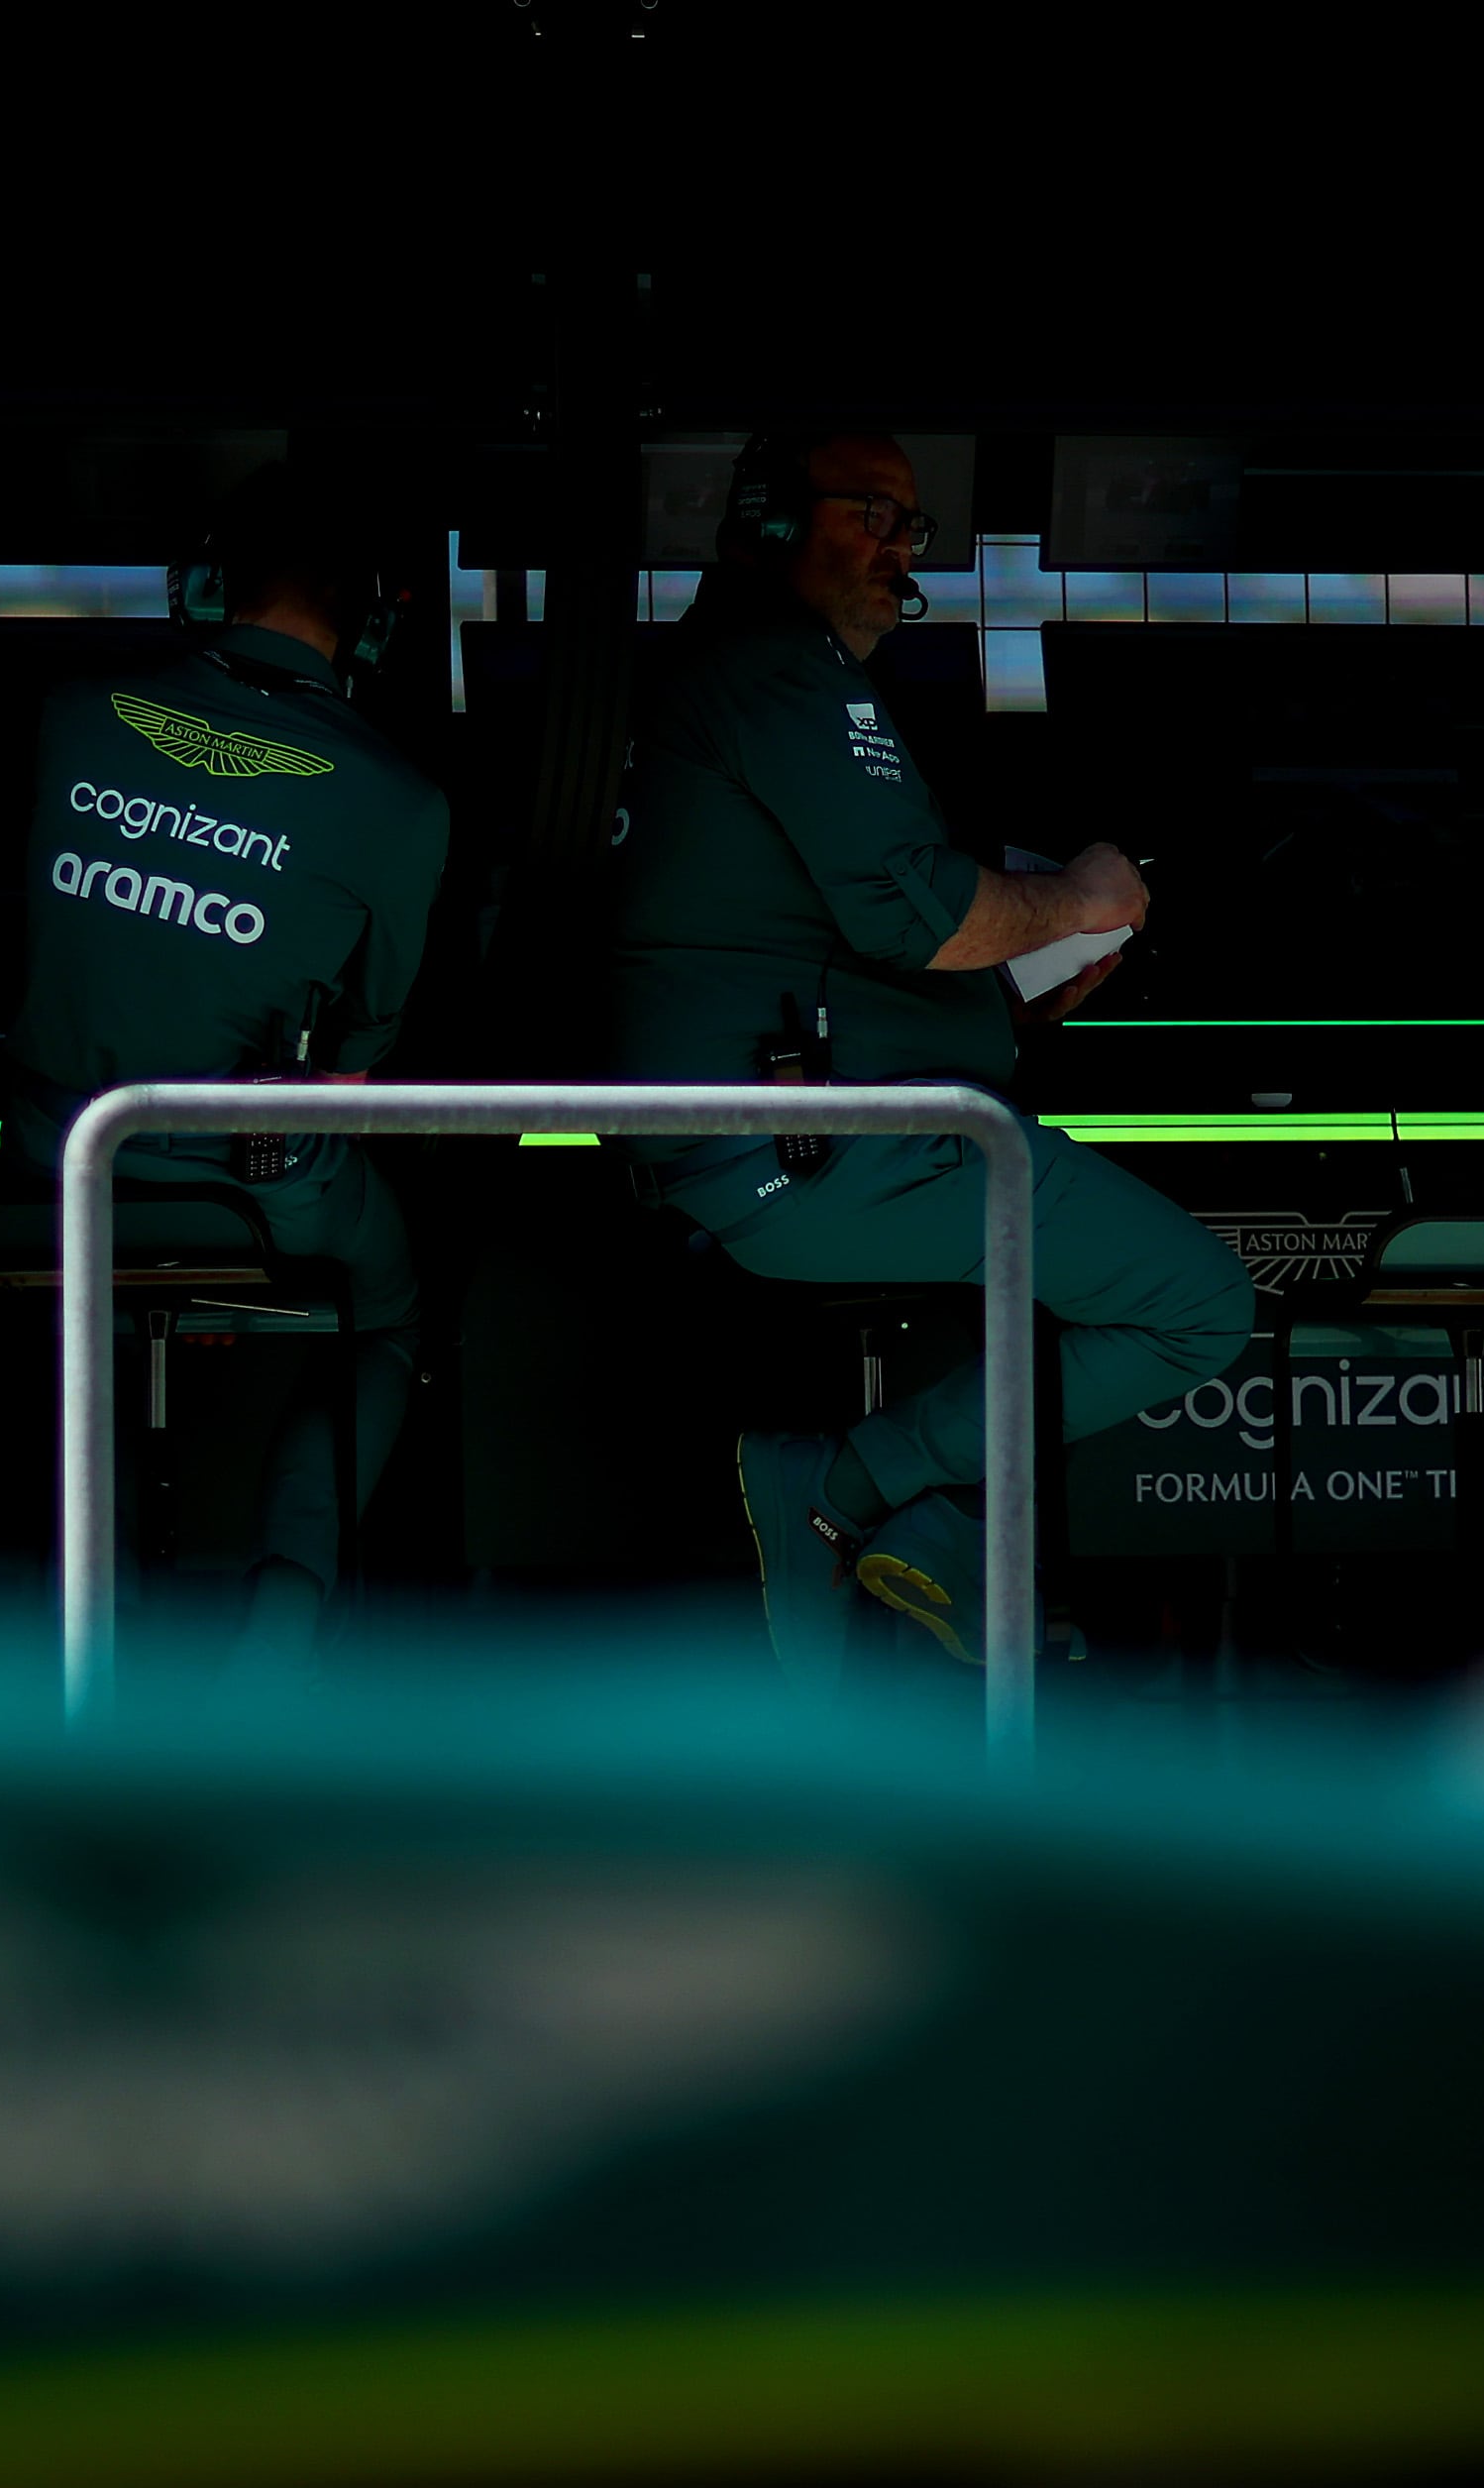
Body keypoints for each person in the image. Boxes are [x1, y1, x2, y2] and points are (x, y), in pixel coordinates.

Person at [605, 426, 1253, 1675]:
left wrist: (1007, 1007)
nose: (901, 549)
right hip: (828, 1148)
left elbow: (816, 938)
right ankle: (849, 1486)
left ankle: (878, 1525)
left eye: (912, 528)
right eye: (871, 513)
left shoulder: (746, 674)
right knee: (1198, 1307)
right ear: (766, 517)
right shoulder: (779, 673)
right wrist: (1083, 895)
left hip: (793, 1137)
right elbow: (921, 914)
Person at [0, 466, 449, 1667]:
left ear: (203, 589)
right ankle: (281, 1624)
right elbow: (361, 1058)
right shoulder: (405, 804)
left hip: (55, 1165)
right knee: (390, 1315)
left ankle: (84, 1615)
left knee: (76, 1312)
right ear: (374, 621)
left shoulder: (70, 714)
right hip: (255, 1185)